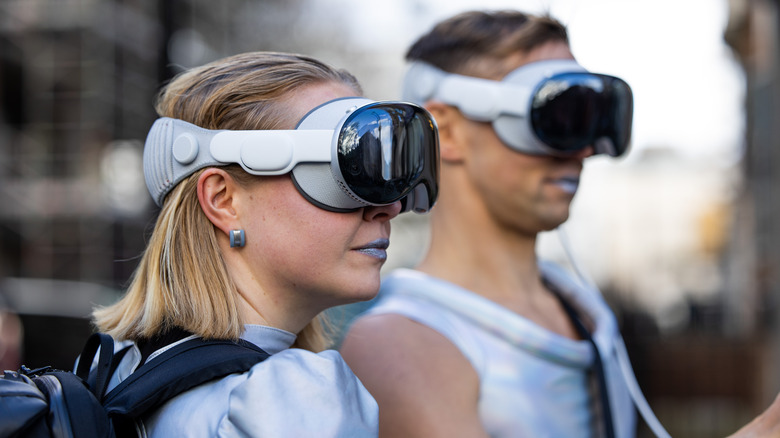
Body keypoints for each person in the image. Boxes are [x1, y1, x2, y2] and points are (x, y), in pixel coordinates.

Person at [339, 10, 780, 438]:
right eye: (553, 117)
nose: (582, 151)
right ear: (449, 131)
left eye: (590, 120)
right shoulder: (399, 341)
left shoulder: (583, 310)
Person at [88, 51, 439, 437]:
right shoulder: (291, 403)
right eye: (348, 172)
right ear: (224, 200)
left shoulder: (111, 368)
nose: (388, 206)